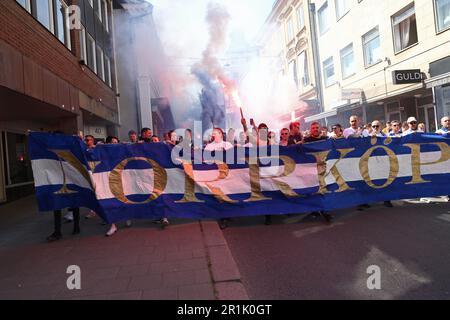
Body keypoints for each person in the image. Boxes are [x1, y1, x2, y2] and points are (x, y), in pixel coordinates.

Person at [105, 137, 132, 236]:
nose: (115, 144)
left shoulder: (122, 151)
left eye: (116, 142)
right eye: (112, 143)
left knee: (124, 198)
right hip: (109, 178)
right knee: (110, 201)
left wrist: (128, 146)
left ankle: (127, 216)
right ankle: (113, 225)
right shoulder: (104, 152)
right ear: (107, 143)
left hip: (122, 178)